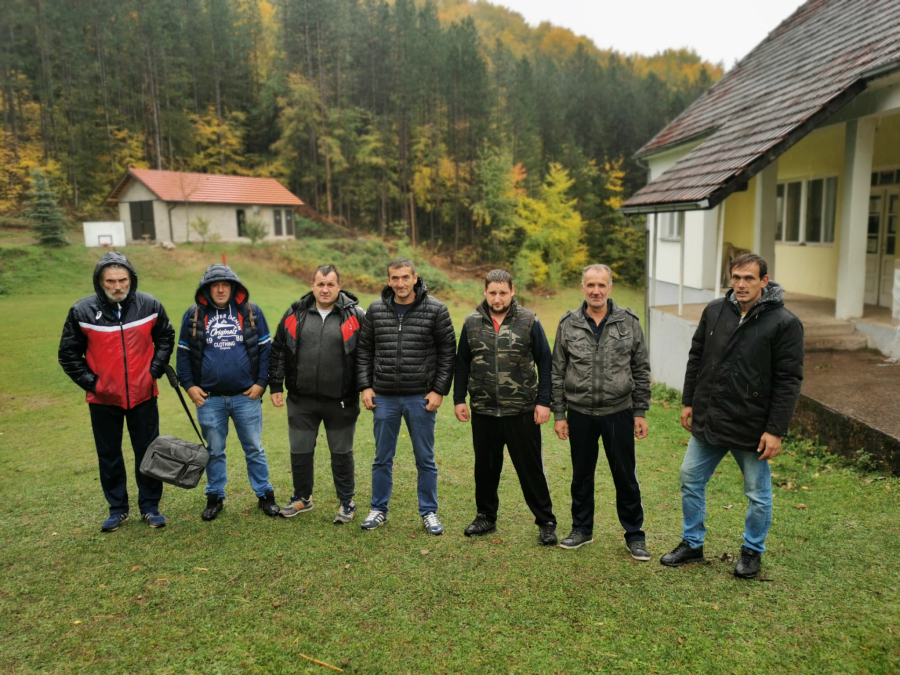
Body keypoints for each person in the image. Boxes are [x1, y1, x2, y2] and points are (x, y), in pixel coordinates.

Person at [660, 253, 803, 579]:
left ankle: (752, 552)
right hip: (710, 417)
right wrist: (688, 401)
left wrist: (776, 430)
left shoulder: (784, 323)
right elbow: (697, 356)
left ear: (764, 281)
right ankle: (692, 544)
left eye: (749, 278)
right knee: (690, 478)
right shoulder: (714, 310)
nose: (741, 284)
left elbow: (788, 380)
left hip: (752, 426)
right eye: (736, 277)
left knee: (757, 494)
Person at [59, 252, 175, 532]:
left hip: (143, 394)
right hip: (103, 399)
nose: (117, 286)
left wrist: (153, 372)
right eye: (110, 281)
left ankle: (150, 507)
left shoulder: (149, 305)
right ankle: (117, 509)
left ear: (131, 280)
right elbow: (68, 354)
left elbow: (165, 337)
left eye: (122, 280)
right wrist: (94, 383)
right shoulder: (82, 311)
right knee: (109, 454)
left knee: (147, 452)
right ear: (100, 282)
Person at [551, 264, 651, 559]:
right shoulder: (568, 324)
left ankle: (634, 535)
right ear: (582, 287)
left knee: (625, 476)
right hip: (580, 412)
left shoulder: (628, 322)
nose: (596, 290)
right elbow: (557, 371)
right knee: (581, 474)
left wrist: (640, 411)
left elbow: (641, 369)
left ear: (610, 288)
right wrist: (559, 414)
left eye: (601, 285)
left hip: (618, 411)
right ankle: (582, 529)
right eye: (590, 285)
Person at [454, 269, 558, 545]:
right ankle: (485, 516)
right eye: (492, 292)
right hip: (484, 410)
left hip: (522, 411)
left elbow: (545, 363)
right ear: (485, 292)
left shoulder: (528, 320)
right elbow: (462, 363)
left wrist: (543, 402)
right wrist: (458, 399)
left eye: (502, 292)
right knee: (485, 467)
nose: (497, 298)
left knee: (530, 468)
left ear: (512, 291)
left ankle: (546, 521)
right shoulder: (472, 322)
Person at [356, 258, 456, 534]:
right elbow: (364, 351)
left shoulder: (436, 309)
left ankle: (429, 512)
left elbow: (448, 353)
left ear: (415, 278)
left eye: (404, 277)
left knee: (425, 458)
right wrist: (365, 386)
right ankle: (378, 509)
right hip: (384, 397)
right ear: (388, 281)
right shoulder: (375, 310)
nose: (400, 283)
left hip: (420, 398)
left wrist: (439, 390)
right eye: (394, 278)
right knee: (381, 457)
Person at [176, 264, 280, 520]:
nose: (220, 289)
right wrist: (189, 386)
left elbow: (267, 350)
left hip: (246, 397)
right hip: (209, 400)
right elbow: (183, 355)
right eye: (214, 285)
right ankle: (214, 497)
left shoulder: (252, 312)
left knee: (254, 448)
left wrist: (261, 382)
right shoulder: (194, 315)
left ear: (235, 287)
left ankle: (265, 495)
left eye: (225, 284)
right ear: (206, 289)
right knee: (213, 451)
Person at [269, 265, 366, 524]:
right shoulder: (295, 313)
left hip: (341, 401)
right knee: (300, 451)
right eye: (320, 284)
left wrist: (367, 386)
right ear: (312, 285)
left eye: (330, 284)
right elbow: (278, 349)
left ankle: (347, 502)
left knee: (341, 452)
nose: (325, 289)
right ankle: (302, 498)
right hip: (301, 401)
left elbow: (368, 354)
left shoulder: (355, 315)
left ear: (339, 286)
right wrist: (276, 385)